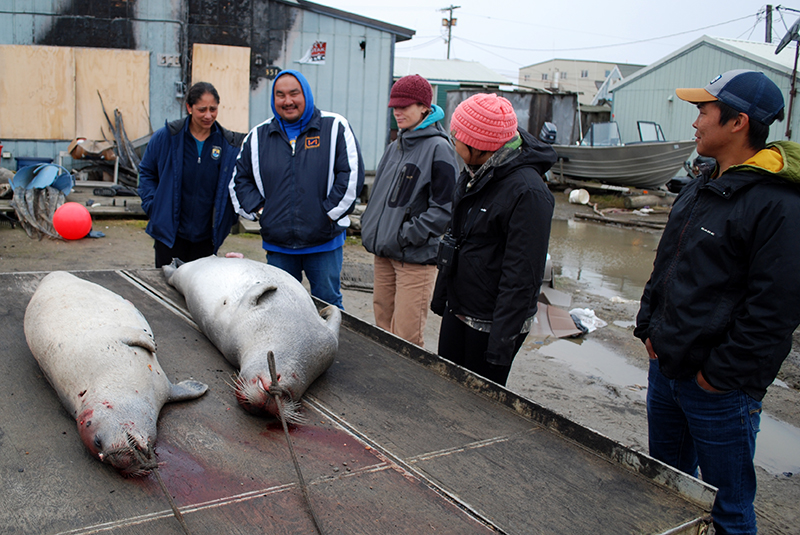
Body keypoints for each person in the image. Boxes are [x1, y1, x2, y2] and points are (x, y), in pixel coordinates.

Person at [635, 69, 800, 534]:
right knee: (666, 491)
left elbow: (776, 309)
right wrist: (648, 328)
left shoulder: (777, 204)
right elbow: (667, 266)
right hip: (666, 369)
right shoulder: (702, 184)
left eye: (704, 112)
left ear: (737, 122)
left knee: (728, 509)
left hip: (719, 391)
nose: (695, 123)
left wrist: (719, 376)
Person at [430, 93, 556, 386]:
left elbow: (523, 276)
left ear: (480, 146)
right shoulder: (475, 172)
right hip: (460, 307)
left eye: (457, 138)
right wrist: (444, 297)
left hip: (491, 322)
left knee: (478, 404)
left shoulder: (529, 194)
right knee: (446, 389)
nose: (453, 141)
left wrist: (502, 343)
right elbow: (457, 237)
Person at [229, 70, 364, 309]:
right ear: (274, 99)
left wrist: (326, 215)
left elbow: (350, 175)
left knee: (328, 304)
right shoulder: (258, 136)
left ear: (307, 95)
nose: (287, 101)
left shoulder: (334, 128)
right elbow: (240, 179)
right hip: (279, 246)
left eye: (294, 93)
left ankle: (335, 347)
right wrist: (262, 212)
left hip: (324, 242)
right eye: (280, 95)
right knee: (280, 306)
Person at [361, 75, 459, 347]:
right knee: (383, 330)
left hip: (415, 259)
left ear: (425, 107)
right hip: (385, 254)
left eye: (404, 106)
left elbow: (445, 210)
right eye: (395, 106)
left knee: (406, 338)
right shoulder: (395, 146)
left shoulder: (440, 148)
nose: (398, 112)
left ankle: (406, 389)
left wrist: (404, 235)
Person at [138, 82, 245, 268]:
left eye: (213, 109)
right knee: (167, 290)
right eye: (202, 109)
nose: (208, 115)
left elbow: (239, 182)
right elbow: (147, 171)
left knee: (197, 292)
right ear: (189, 107)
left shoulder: (227, 145)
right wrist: (153, 205)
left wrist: (230, 217)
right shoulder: (168, 137)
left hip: (205, 239)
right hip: (170, 236)